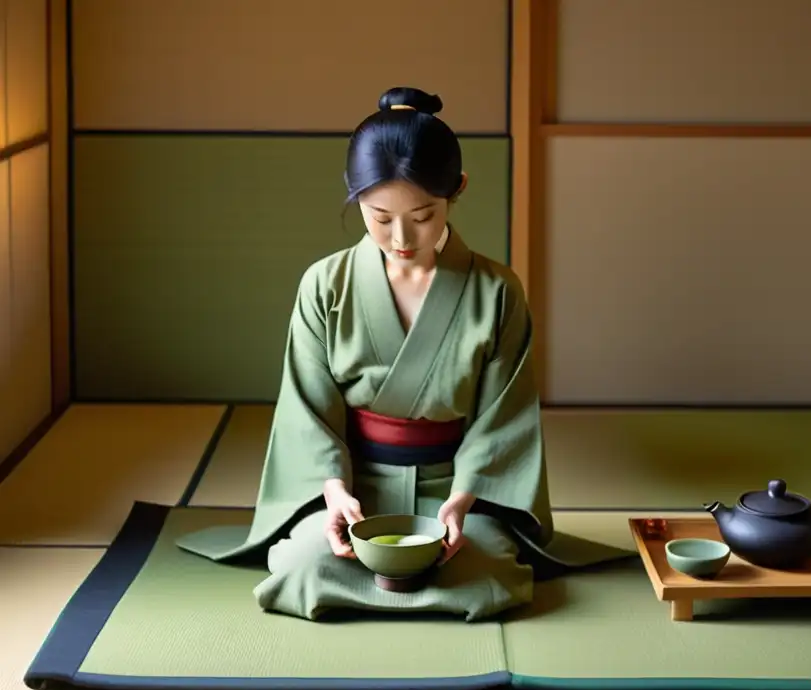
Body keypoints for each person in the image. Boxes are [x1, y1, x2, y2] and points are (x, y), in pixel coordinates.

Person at [176, 87, 631, 621]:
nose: (401, 236)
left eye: (423, 214)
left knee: (488, 576)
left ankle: (447, 544)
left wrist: (463, 500)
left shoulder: (497, 291)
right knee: (302, 568)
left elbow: (503, 420)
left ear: (457, 189)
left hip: (455, 489)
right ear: (355, 195)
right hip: (357, 488)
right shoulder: (325, 284)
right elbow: (307, 409)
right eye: (378, 216)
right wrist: (333, 492)